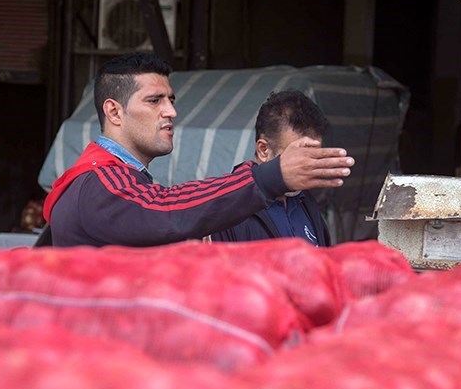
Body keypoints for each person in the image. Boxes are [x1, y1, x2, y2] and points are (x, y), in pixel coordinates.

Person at [42, 52, 354, 247]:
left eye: (171, 100)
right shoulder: (101, 183)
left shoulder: (113, 181)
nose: (171, 112)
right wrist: (271, 177)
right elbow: (165, 210)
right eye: (154, 101)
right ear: (114, 112)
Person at [208, 90, 332, 246]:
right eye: (297, 157)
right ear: (263, 150)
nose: (307, 166)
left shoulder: (306, 202)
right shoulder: (230, 209)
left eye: (313, 158)